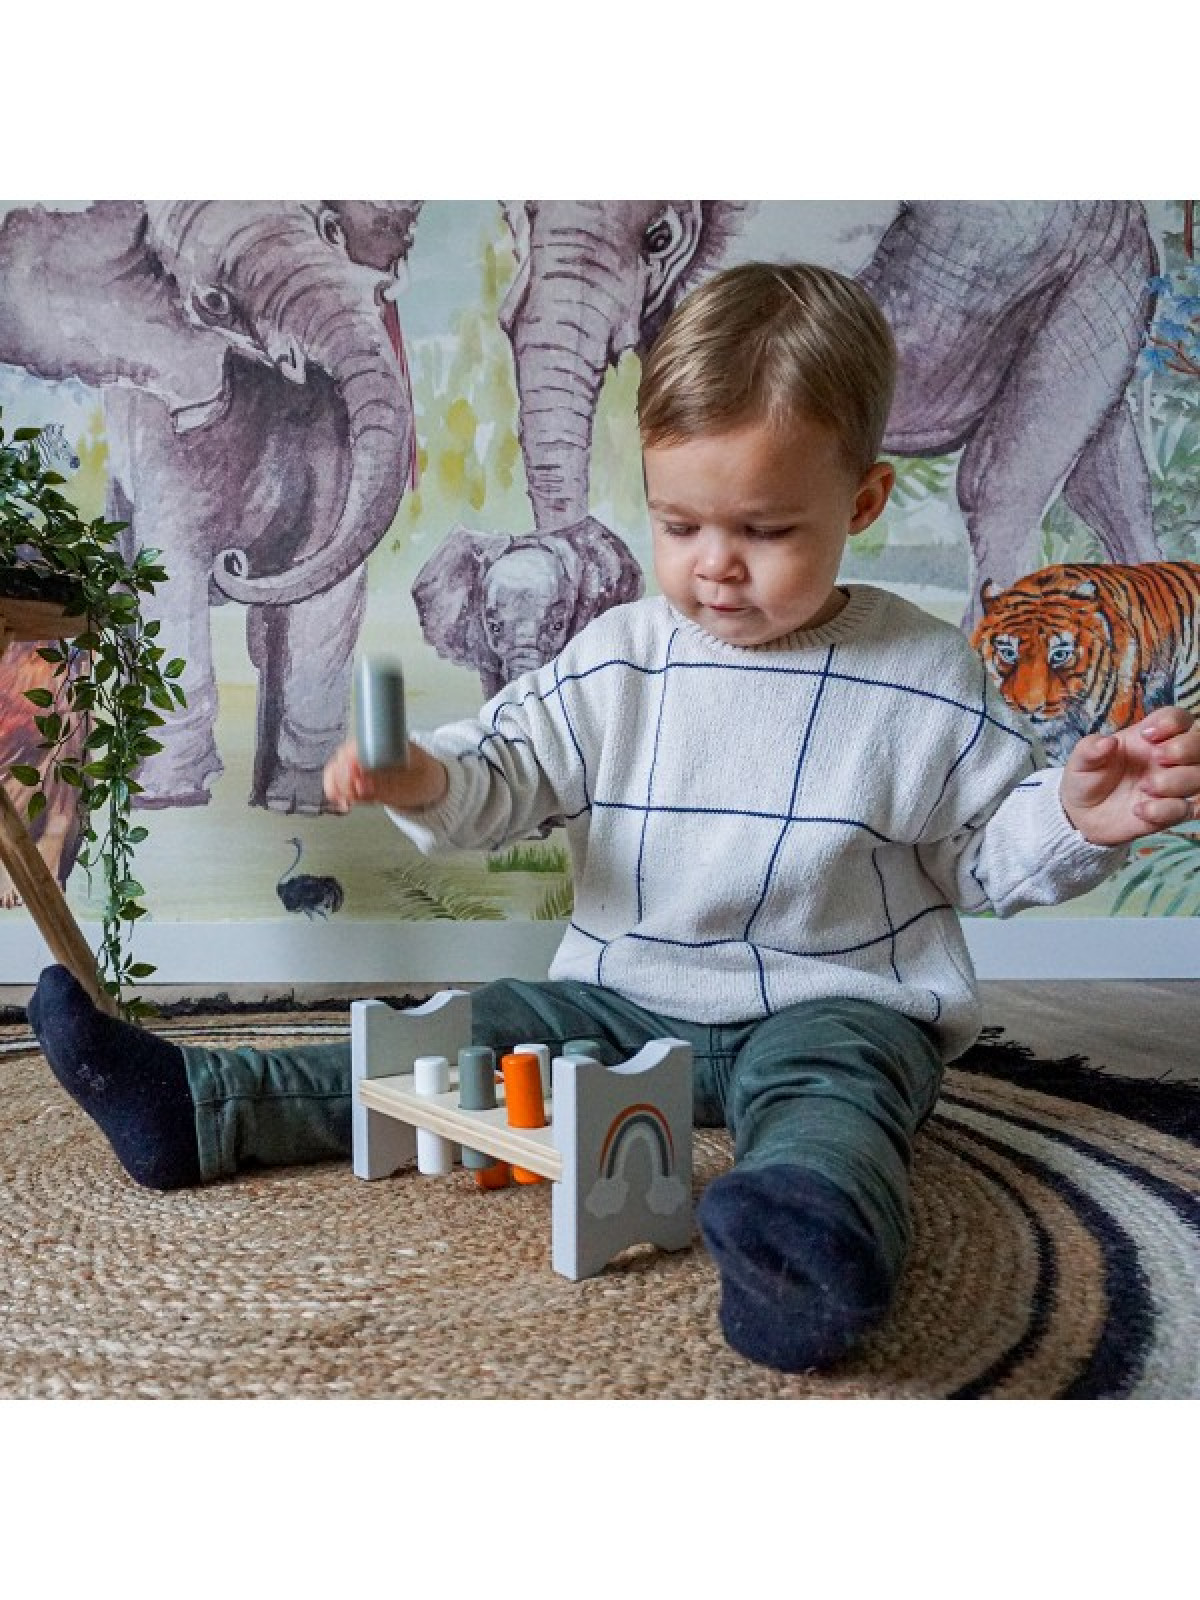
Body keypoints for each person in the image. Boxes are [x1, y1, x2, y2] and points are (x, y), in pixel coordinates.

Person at [28, 261, 1200, 1374]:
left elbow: (987, 858)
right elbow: (509, 765)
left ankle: (808, 1241)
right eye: (680, 525)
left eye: (765, 529)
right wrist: (423, 780)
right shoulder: (621, 656)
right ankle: (202, 1109)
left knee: (841, 1103)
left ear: (865, 498)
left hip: (839, 1004)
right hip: (626, 989)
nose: (716, 567)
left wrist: (1079, 816)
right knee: (473, 1032)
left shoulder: (923, 670)